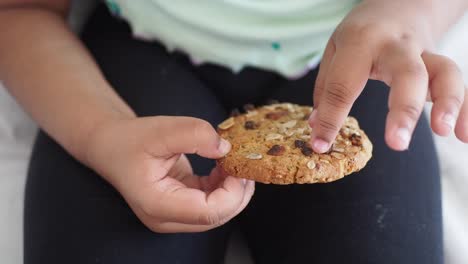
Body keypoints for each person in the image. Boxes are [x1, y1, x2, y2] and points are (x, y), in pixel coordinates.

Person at [1, 0, 467, 263]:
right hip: (132, 55)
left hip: (357, 56)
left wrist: (407, 18)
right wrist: (100, 133)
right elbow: (19, 10)